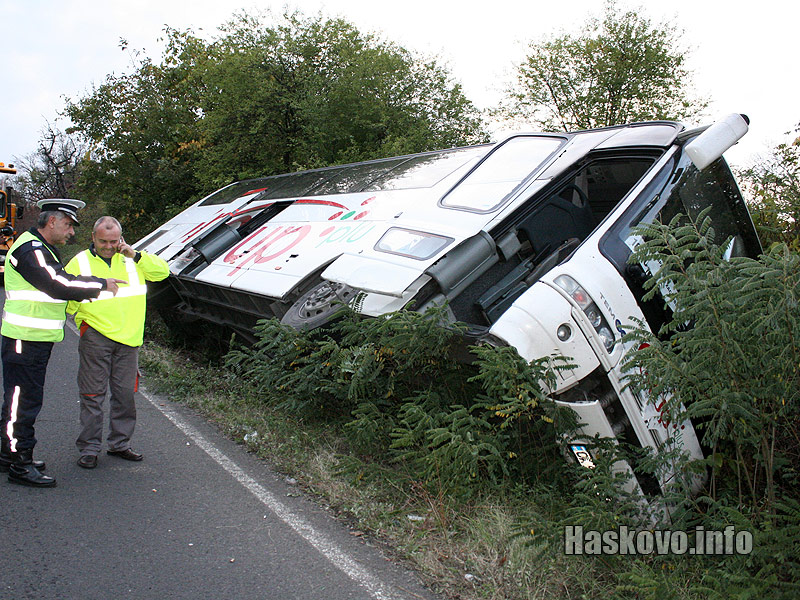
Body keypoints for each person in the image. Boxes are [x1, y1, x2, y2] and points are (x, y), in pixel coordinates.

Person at [1, 199, 126, 487]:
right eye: (68, 225)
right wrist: (100, 284)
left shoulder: (37, 246)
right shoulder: (30, 248)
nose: (71, 232)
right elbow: (58, 283)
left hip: (30, 338)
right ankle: (20, 463)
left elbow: (59, 279)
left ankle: (9, 454)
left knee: (17, 399)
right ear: (53, 221)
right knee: (24, 402)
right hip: (25, 338)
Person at [65, 216, 169, 469]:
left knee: (125, 395)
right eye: (103, 241)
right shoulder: (79, 262)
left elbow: (163, 272)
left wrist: (137, 255)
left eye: (114, 241)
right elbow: (66, 295)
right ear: (93, 237)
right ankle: (89, 449)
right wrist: (82, 323)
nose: (109, 246)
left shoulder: (133, 260)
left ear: (121, 239)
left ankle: (120, 444)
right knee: (92, 394)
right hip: (96, 336)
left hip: (129, 339)